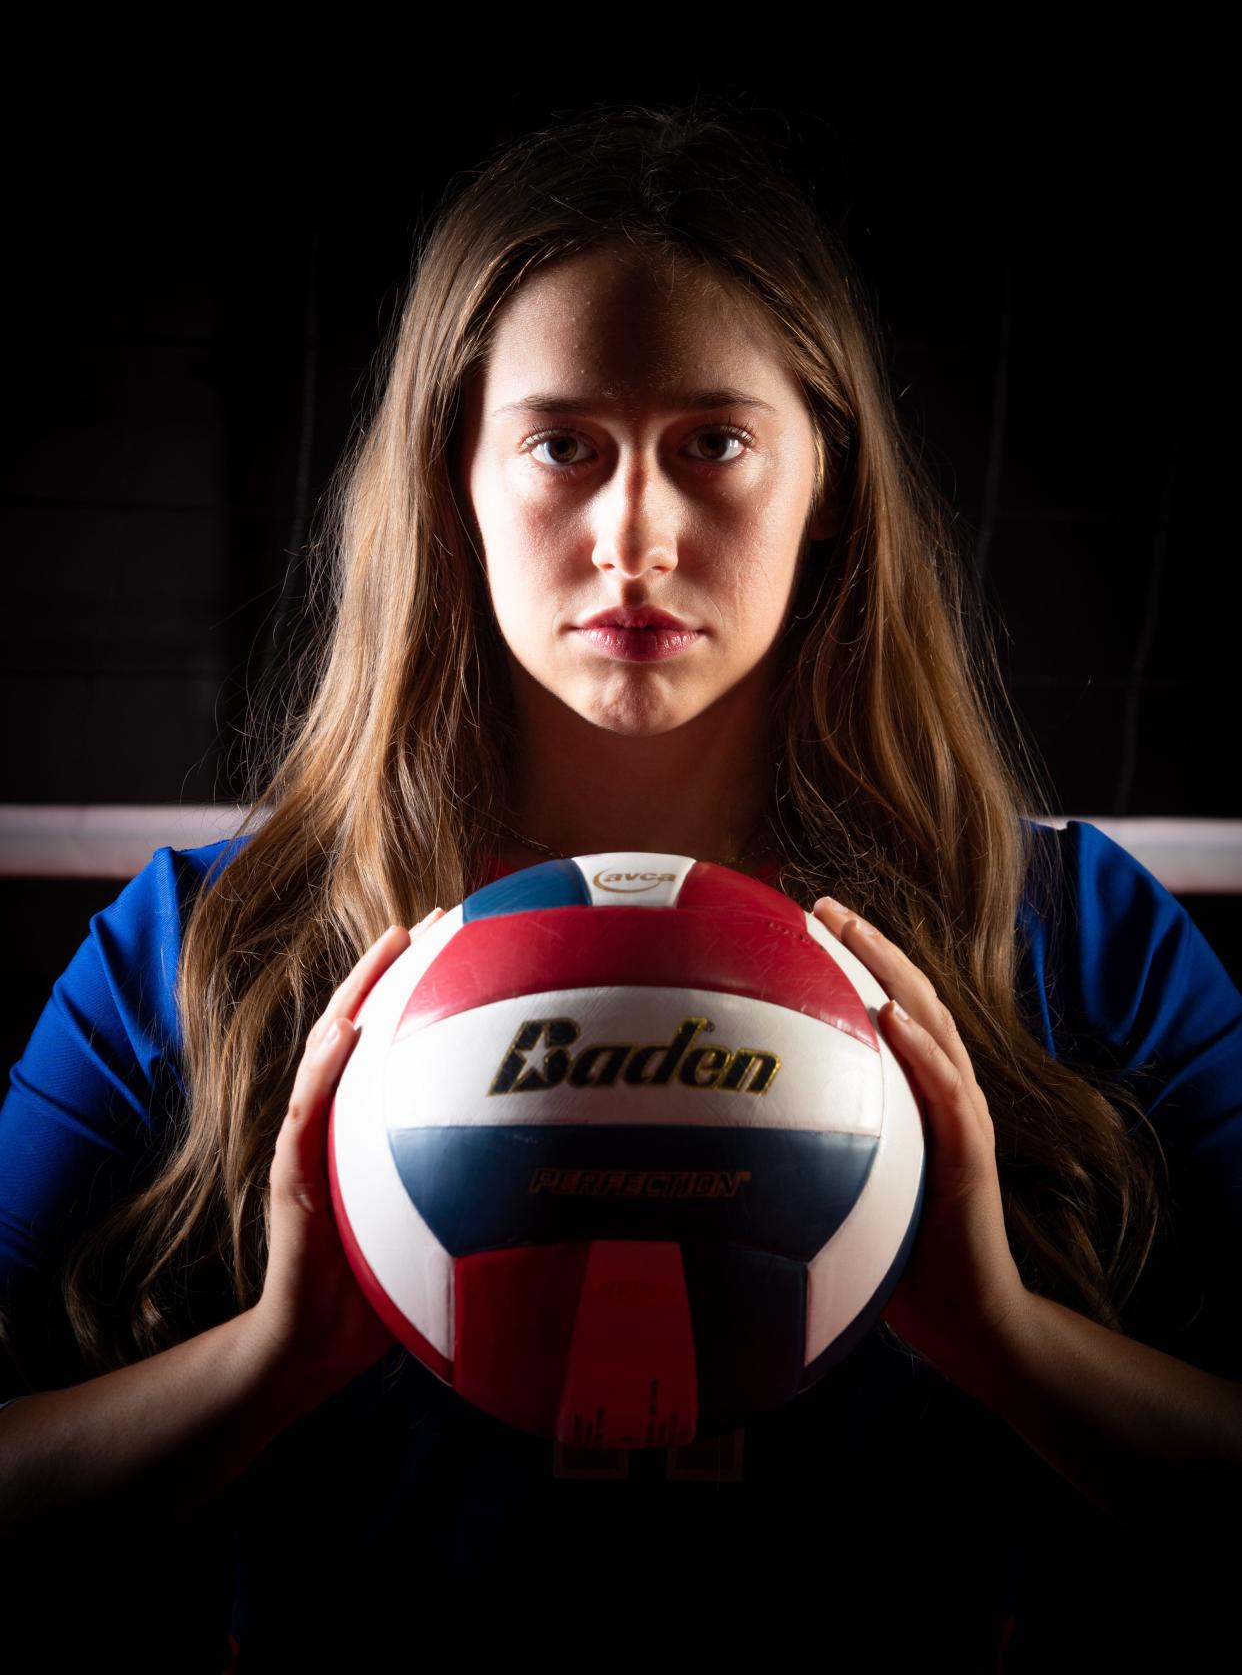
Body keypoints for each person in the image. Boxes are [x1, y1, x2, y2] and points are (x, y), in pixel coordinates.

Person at [1, 103, 1238, 1670]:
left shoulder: (1076, 941)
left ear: (826, 485)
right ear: (449, 476)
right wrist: (267, 1365)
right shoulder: (208, 946)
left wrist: (1003, 1343)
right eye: (559, 445)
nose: (633, 536)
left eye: (711, 444)